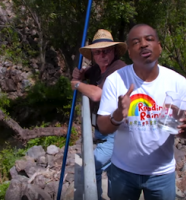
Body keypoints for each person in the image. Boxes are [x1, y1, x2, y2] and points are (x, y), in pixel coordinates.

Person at [97, 24, 186, 200]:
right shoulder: (116, 80)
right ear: (129, 51)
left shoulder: (178, 83)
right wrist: (118, 115)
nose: (143, 44)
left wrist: (185, 126)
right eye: (136, 42)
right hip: (123, 171)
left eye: (149, 39)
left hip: (162, 173)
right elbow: (103, 128)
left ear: (159, 47)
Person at [71, 29, 127, 199]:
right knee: (113, 173)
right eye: (98, 52)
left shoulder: (118, 68)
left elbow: (97, 94)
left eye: (106, 50)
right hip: (102, 130)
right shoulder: (97, 69)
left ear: (114, 51)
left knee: (91, 166)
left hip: (116, 133)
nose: (102, 55)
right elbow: (84, 73)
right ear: (93, 55)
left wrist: (77, 84)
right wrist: (80, 74)